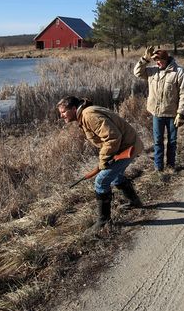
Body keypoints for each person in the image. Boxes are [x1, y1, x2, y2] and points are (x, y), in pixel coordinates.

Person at [57, 96, 143, 232]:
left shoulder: (89, 115)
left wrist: (103, 161)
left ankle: (103, 222)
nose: (61, 116)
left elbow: (113, 136)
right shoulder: (85, 114)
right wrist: (107, 158)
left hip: (127, 148)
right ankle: (134, 201)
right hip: (123, 147)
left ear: (73, 109)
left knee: (101, 181)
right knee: (114, 176)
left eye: (63, 112)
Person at [133, 47, 184, 173]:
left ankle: (170, 166)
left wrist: (180, 113)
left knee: (172, 141)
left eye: (159, 60)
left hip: (172, 114)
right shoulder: (152, 71)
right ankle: (158, 167)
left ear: (165, 59)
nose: (157, 63)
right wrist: (144, 59)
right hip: (157, 113)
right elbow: (137, 72)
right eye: (155, 61)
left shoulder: (179, 72)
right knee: (158, 141)